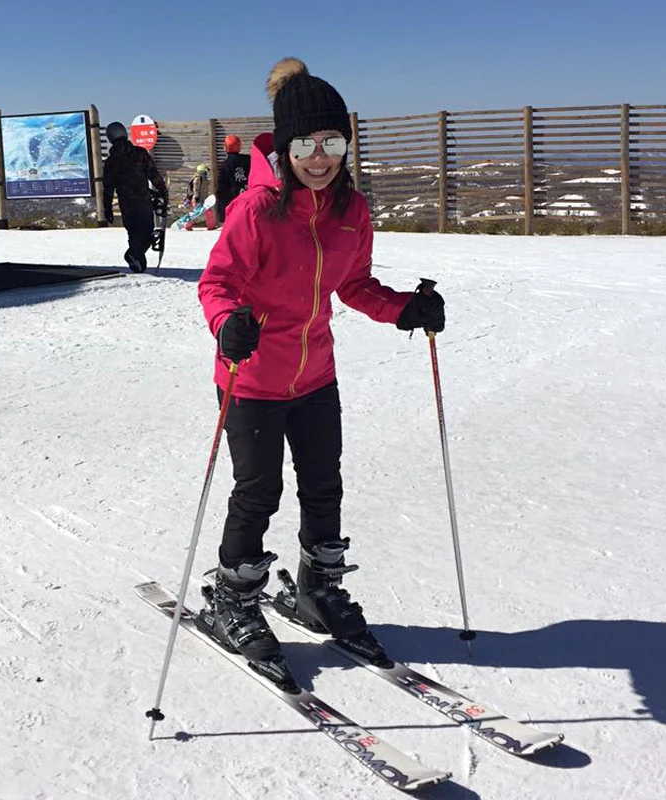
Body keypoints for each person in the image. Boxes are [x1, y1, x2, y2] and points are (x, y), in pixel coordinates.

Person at [197, 57, 445, 675]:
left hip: (315, 378)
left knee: (324, 486)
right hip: (251, 376)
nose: (319, 156)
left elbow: (355, 285)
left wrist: (406, 309)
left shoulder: (349, 211)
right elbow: (217, 282)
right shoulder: (255, 210)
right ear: (285, 148)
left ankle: (317, 588)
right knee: (258, 492)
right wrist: (228, 324)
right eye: (305, 143)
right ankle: (234, 595)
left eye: (332, 142)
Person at [102, 121, 167, 273]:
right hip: (143, 200)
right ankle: (134, 254)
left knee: (133, 233)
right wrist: (163, 190)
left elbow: (108, 188)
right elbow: (153, 174)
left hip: (126, 203)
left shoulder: (111, 162)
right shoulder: (139, 153)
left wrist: (107, 208)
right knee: (146, 230)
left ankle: (136, 259)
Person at [215, 134, 251, 224]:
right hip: (248, 200)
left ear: (226, 147)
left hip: (232, 203)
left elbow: (222, 189)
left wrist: (221, 211)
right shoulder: (249, 160)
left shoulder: (225, 165)